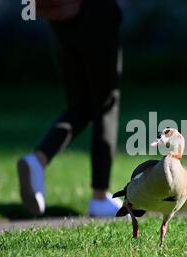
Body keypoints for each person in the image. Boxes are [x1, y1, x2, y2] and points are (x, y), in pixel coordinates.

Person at [17, 0, 123, 217]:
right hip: (93, 12)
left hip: (59, 18)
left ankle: (37, 160)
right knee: (106, 104)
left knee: (81, 105)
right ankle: (100, 197)